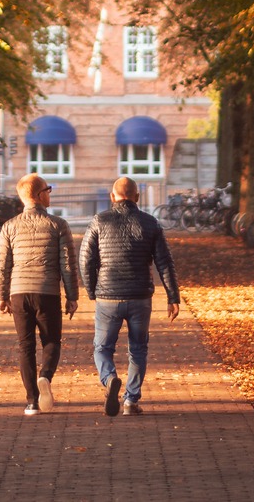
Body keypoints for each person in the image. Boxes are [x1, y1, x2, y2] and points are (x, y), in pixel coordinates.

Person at [80, 176, 180, 416]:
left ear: (112, 197)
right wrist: (172, 297)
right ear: (137, 197)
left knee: (102, 347)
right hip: (140, 296)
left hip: (108, 296)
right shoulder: (150, 223)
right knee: (138, 349)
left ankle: (109, 379)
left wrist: (92, 289)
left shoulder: (99, 221)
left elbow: (86, 259)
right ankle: (130, 401)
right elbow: (164, 262)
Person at [0, 173, 79, 416]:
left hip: (19, 292)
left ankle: (31, 401)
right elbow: (68, 264)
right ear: (40, 195)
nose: (50, 194)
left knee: (25, 346)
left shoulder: (9, 226)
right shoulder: (58, 225)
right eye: (48, 190)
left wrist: (2, 295)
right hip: (47, 292)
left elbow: (2, 265)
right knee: (51, 341)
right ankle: (45, 376)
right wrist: (72, 296)